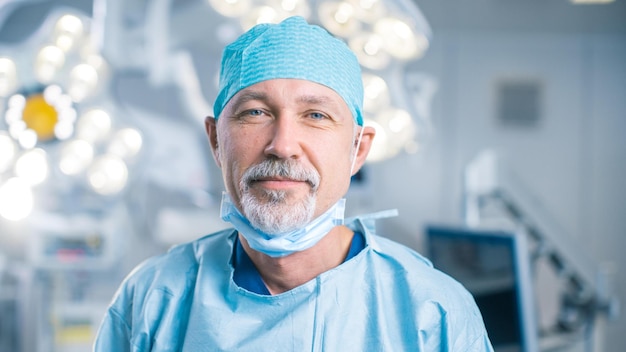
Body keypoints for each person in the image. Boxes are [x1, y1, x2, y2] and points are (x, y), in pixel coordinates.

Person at [94, 16, 494, 351]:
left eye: (316, 116)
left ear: (358, 149)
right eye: (255, 112)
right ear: (217, 140)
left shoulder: (432, 314)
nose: (283, 146)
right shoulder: (151, 300)